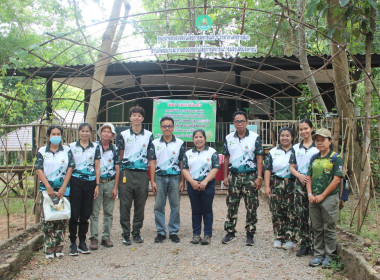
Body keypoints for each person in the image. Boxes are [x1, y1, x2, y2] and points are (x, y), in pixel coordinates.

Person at [222, 111, 264, 246]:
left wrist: (259, 177)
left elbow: (259, 157)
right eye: (236, 121)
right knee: (232, 205)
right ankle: (230, 232)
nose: (239, 124)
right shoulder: (228, 138)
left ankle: (250, 233)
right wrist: (225, 176)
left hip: (250, 176)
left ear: (247, 122)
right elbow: (226, 158)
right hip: (234, 177)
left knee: (251, 205)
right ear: (233, 123)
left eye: (242, 121)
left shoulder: (254, 137)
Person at [36, 125, 74, 259]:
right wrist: (48, 187)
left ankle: (59, 247)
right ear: (48, 136)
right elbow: (39, 169)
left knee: (61, 219)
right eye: (53, 134)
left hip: (63, 191)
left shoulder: (67, 150)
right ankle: (49, 247)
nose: (56, 136)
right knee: (48, 219)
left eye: (58, 134)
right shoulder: (42, 151)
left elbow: (70, 168)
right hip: (47, 191)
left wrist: (63, 187)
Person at [307, 128, 344, 268]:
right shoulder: (314, 158)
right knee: (316, 227)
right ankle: (318, 255)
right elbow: (309, 177)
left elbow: (336, 180)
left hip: (328, 198)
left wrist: (323, 195)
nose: (319, 143)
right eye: (317, 140)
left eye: (323, 140)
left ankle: (330, 256)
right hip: (314, 198)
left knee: (329, 227)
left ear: (330, 141)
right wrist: (310, 194)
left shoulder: (335, 158)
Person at [117, 106, 153, 245]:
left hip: (142, 174)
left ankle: (136, 232)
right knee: (125, 205)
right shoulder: (123, 134)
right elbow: (120, 155)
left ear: (143, 118)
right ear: (130, 118)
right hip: (126, 173)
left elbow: (151, 156)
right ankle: (125, 233)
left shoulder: (149, 135)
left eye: (139, 115)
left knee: (140, 205)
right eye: (134, 115)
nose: (136, 118)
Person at [149, 117, 185, 243]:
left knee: (175, 206)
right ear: (161, 128)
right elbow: (152, 162)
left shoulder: (180, 143)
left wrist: (182, 181)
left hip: (175, 178)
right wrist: (152, 181)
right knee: (159, 206)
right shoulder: (154, 143)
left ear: (173, 127)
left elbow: (182, 163)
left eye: (169, 126)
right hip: (159, 178)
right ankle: (161, 232)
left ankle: (174, 231)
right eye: (164, 126)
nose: (167, 128)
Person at [182, 129, 220, 245]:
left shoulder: (212, 152)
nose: (198, 139)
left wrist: (205, 181)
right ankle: (196, 234)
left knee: (207, 210)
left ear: (205, 138)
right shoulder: (188, 154)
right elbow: (184, 169)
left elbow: (215, 168)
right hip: (193, 185)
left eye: (201, 137)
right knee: (196, 210)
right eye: (196, 137)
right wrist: (192, 182)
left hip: (207, 185)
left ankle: (207, 235)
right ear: (193, 139)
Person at [69, 122, 100, 256]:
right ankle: (72, 243)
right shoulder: (71, 147)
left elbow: (97, 167)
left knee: (86, 214)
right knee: (74, 214)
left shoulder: (95, 148)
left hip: (90, 182)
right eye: (82, 131)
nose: (84, 133)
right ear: (78, 132)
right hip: (75, 182)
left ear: (91, 133)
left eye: (87, 131)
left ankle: (82, 241)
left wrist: (97, 184)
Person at [289, 119, 319, 257]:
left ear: (312, 129)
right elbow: (291, 167)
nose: (303, 132)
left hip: (315, 185)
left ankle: (314, 244)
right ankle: (304, 244)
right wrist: (299, 176)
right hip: (300, 184)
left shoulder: (318, 146)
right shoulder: (295, 148)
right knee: (301, 215)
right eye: (301, 129)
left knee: (314, 215)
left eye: (306, 128)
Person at [264, 127, 296, 250]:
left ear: (292, 137)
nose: (285, 138)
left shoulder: (296, 151)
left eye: (287, 135)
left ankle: (290, 238)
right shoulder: (273, 152)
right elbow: (267, 170)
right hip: (276, 183)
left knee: (291, 211)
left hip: (292, 183)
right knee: (277, 211)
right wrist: (267, 186)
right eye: (282, 135)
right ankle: (278, 237)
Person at [89, 123, 120, 250]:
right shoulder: (94, 147)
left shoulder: (115, 149)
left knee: (108, 212)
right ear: (100, 133)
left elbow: (118, 168)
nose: (106, 133)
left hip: (110, 182)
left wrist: (115, 187)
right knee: (94, 212)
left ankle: (106, 237)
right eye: (104, 131)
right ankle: (94, 238)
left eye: (109, 132)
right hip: (97, 183)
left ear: (113, 135)